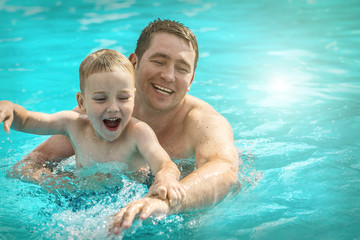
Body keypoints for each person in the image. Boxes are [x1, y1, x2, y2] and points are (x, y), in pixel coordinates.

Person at [7, 19, 240, 234]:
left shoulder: (203, 122)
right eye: (159, 61)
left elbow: (224, 170)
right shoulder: (101, 111)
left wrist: (166, 203)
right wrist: (62, 185)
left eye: (181, 68)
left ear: (190, 80)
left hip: (175, 211)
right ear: (134, 63)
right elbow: (30, 164)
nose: (168, 76)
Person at [0, 49, 186, 205]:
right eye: (100, 98)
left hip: (127, 197)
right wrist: (10, 109)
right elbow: (27, 120)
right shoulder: (72, 124)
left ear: (134, 98)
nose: (113, 107)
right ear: (82, 103)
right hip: (77, 197)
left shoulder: (139, 133)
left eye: (123, 98)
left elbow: (165, 164)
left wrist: (166, 179)